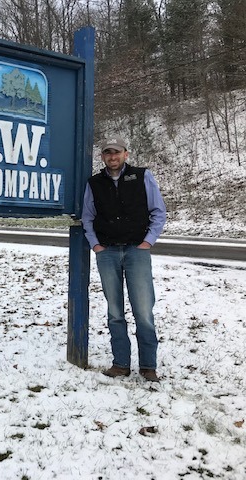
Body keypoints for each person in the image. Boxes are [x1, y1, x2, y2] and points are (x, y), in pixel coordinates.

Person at [82, 134, 166, 382]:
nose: (112, 157)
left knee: (143, 311)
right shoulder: (95, 183)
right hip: (107, 252)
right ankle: (120, 364)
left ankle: (148, 366)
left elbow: (158, 211)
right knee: (115, 312)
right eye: (108, 153)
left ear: (125, 154)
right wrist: (95, 245)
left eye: (117, 152)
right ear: (103, 157)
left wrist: (147, 242)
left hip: (135, 251)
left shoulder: (142, 176)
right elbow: (88, 216)